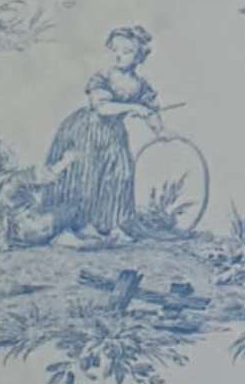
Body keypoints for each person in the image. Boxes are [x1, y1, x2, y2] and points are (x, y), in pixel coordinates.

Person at [22, 26, 163, 240]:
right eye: (115, 49)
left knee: (121, 174)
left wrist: (160, 131)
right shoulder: (103, 76)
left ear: (139, 57)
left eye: (126, 52)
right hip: (87, 130)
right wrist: (133, 108)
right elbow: (102, 108)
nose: (118, 55)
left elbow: (151, 111)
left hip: (114, 133)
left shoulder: (141, 84)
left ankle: (114, 224)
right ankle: (82, 224)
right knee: (87, 176)